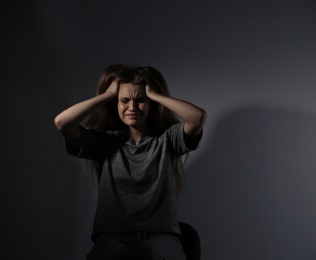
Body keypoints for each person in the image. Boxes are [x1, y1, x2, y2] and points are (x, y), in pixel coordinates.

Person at [54, 64, 207, 260]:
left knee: (147, 253)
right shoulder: (104, 143)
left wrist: (155, 95)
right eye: (124, 100)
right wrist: (108, 95)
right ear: (115, 104)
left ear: (150, 103)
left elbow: (198, 118)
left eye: (140, 100)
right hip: (114, 237)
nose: (132, 107)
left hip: (161, 237)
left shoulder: (168, 140)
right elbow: (62, 122)